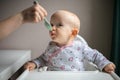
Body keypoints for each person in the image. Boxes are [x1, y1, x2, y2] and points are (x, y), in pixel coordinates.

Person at [24, 10, 115, 73]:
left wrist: (105, 64)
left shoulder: (80, 47)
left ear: (73, 32)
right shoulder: (51, 47)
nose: (52, 28)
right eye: (51, 25)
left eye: (59, 25)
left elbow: (95, 56)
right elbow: (43, 59)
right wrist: (34, 63)